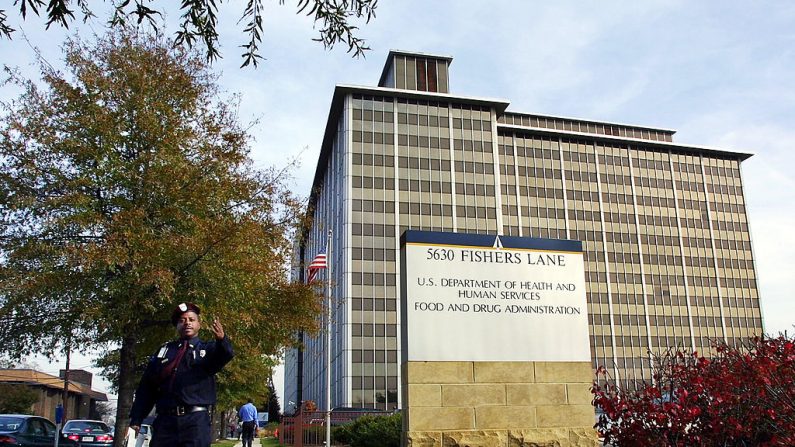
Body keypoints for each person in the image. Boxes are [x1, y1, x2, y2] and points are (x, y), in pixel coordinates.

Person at [129, 302, 234, 447]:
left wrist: (222, 340)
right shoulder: (165, 351)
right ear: (177, 325)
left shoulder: (208, 349)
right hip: (165, 421)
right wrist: (137, 417)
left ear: (199, 324)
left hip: (195, 422)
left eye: (192, 319)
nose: (187, 323)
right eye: (182, 320)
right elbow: (147, 386)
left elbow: (225, 354)